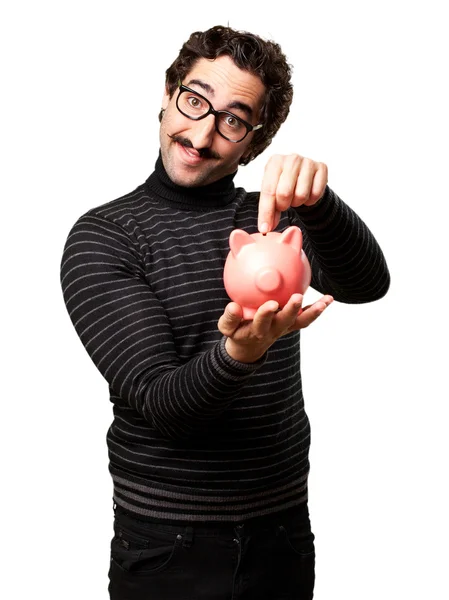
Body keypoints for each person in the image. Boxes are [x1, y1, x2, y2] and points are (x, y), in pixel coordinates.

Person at [60, 25, 390, 600]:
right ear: (167, 94)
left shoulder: (276, 223)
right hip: (168, 549)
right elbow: (165, 405)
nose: (202, 133)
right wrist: (241, 353)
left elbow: (367, 284)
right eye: (194, 100)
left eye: (233, 119)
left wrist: (319, 204)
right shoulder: (105, 237)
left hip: (282, 535)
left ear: (254, 143)